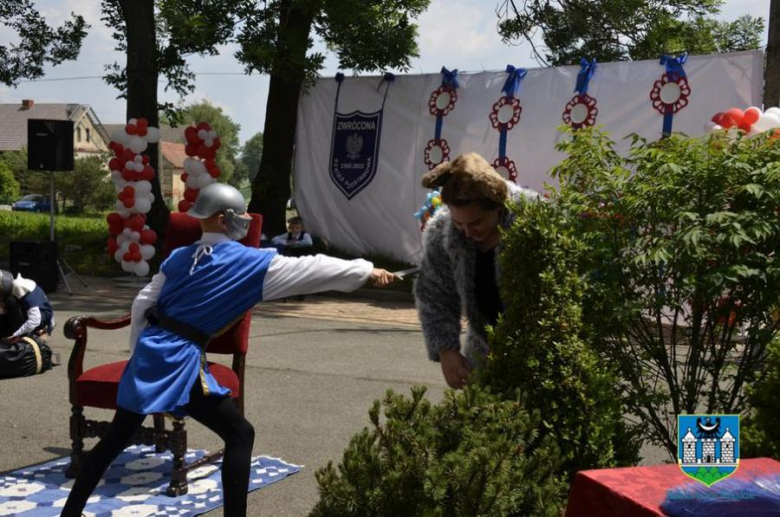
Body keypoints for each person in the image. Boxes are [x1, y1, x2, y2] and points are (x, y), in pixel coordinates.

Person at [62, 183, 396, 516]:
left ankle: (70, 512)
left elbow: (142, 305)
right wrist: (367, 271)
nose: (247, 221)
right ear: (224, 219)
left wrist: (138, 356)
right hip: (180, 359)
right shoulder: (250, 263)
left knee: (114, 441)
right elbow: (313, 268)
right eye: (242, 216)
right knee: (240, 434)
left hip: (153, 353)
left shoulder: (178, 257)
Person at [413, 153, 538, 389]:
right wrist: (446, 349)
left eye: (476, 223)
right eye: (459, 225)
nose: (468, 233)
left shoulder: (534, 221)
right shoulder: (442, 231)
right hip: (483, 350)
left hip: (539, 353)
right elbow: (434, 293)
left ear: (498, 207)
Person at [0, 270, 54, 341]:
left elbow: (34, 320)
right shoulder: (14, 288)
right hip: (26, 315)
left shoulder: (26, 291)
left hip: (41, 320)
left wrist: (16, 334)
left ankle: (20, 335)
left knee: (10, 301)